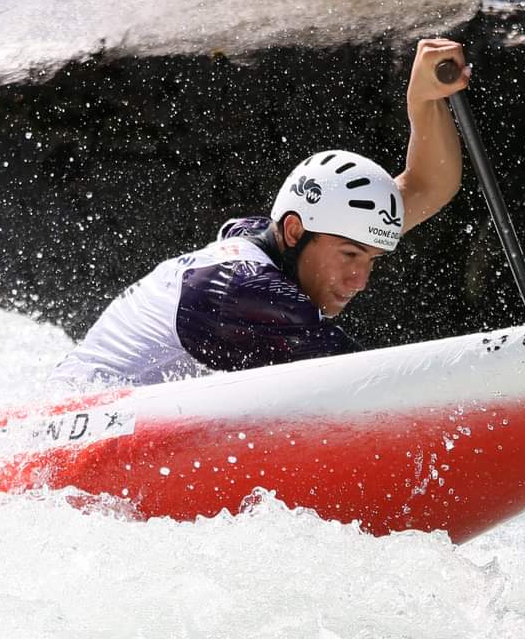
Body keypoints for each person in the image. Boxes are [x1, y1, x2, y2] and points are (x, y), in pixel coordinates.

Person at [51, 39, 471, 388]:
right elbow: (371, 388)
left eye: (370, 260)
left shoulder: (276, 240)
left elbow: (426, 187)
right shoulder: (247, 290)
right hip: (65, 447)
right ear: (293, 231)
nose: (359, 281)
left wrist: (423, 101)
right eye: (349, 255)